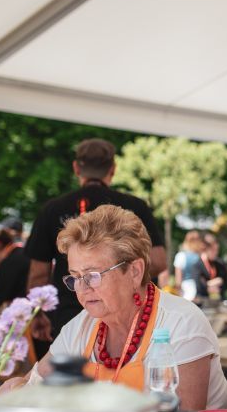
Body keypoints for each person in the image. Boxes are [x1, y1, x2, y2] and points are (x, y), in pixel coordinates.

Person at [0, 205, 227, 412]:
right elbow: (32, 386)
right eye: (75, 277)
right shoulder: (82, 326)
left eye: (92, 276)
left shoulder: (182, 323)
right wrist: (16, 388)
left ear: (134, 271)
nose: (82, 288)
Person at [26, 138, 166, 357]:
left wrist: (37, 314)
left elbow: (37, 275)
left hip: (69, 313)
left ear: (76, 168)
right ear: (113, 169)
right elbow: (158, 262)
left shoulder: (52, 209)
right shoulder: (135, 206)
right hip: (131, 318)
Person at [173, 230, 208, 302]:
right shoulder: (201, 257)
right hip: (199, 291)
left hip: (186, 291)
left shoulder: (181, 256)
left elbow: (178, 280)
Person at [202, 232, 227, 301]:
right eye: (213, 250)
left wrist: (220, 285)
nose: (215, 253)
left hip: (218, 298)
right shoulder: (199, 263)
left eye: (217, 250)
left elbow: (226, 283)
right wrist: (210, 284)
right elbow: (198, 285)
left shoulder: (220, 263)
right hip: (204, 300)